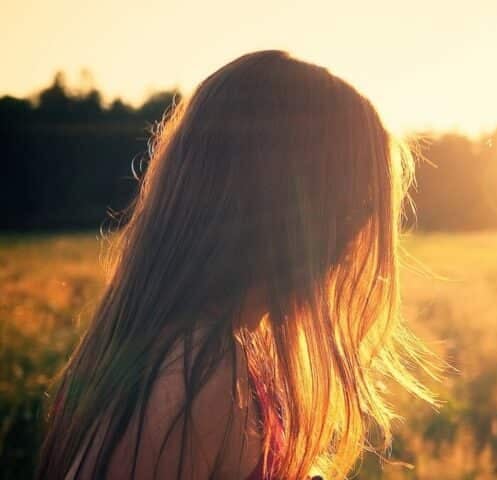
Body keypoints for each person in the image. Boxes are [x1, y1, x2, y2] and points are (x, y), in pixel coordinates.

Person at [37, 50, 437, 480]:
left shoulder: (196, 356)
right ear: (303, 215)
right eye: (359, 206)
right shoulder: (196, 378)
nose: (357, 238)